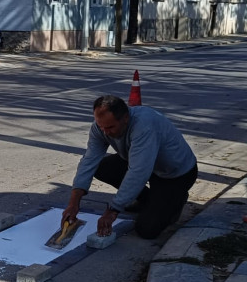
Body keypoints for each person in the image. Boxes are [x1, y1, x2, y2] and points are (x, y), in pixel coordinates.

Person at [61, 94, 198, 240]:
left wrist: (113, 210)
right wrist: (73, 203)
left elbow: (138, 172)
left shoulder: (144, 125)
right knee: (102, 168)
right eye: (101, 126)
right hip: (145, 165)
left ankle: (176, 198)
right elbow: (89, 160)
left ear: (125, 118)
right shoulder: (100, 128)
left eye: (110, 127)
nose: (105, 132)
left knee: (147, 229)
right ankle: (147, 200)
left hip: (174, 174)